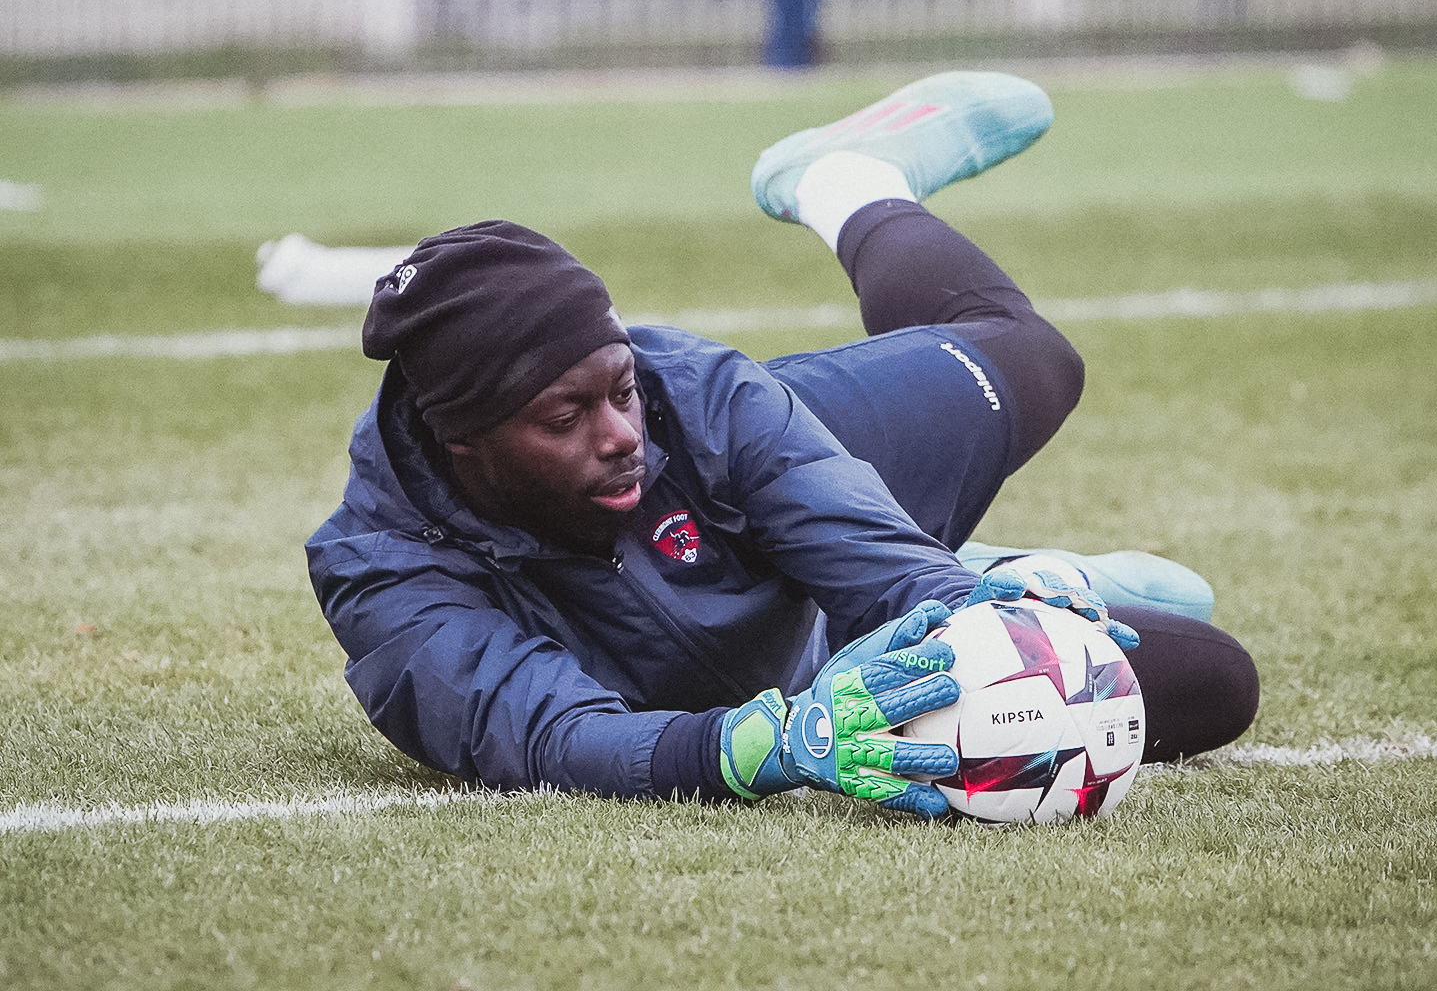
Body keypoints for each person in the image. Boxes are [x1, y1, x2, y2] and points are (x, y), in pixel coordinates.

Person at [307, 71, 1258, 819]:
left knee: (1037, 358)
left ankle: (843, 180)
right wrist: (764, 746)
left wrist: (970, 607)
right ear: (460, 439)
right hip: (808, 683)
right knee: (1204, 678)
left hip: (799, 483)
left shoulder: (699, 396)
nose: (621, 435)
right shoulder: (384, 572)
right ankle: (1023, 567)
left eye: (621, 387)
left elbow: (878, 567)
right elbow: (554, 738)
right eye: (566, 418)